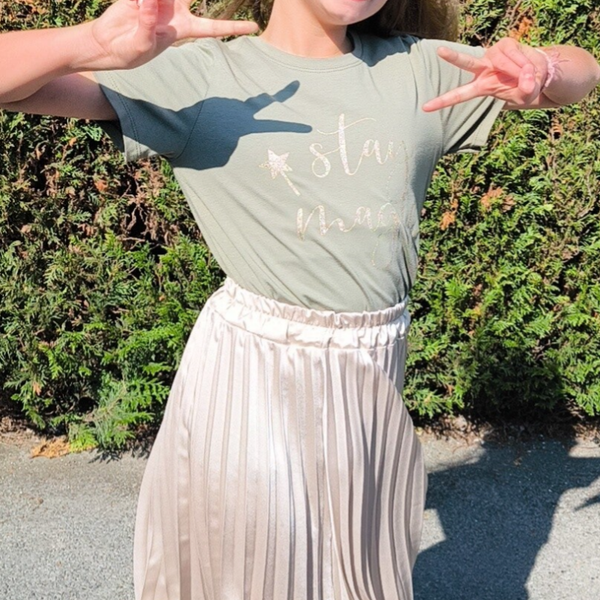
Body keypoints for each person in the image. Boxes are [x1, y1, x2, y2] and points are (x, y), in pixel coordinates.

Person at [1, 0, 598, 598]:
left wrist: (543, 68)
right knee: (249, 572)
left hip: (373, 385)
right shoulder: (205, 74)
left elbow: (584, 71)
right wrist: (90, 44)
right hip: (254, 379)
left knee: (359, 574)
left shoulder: (419, 67)